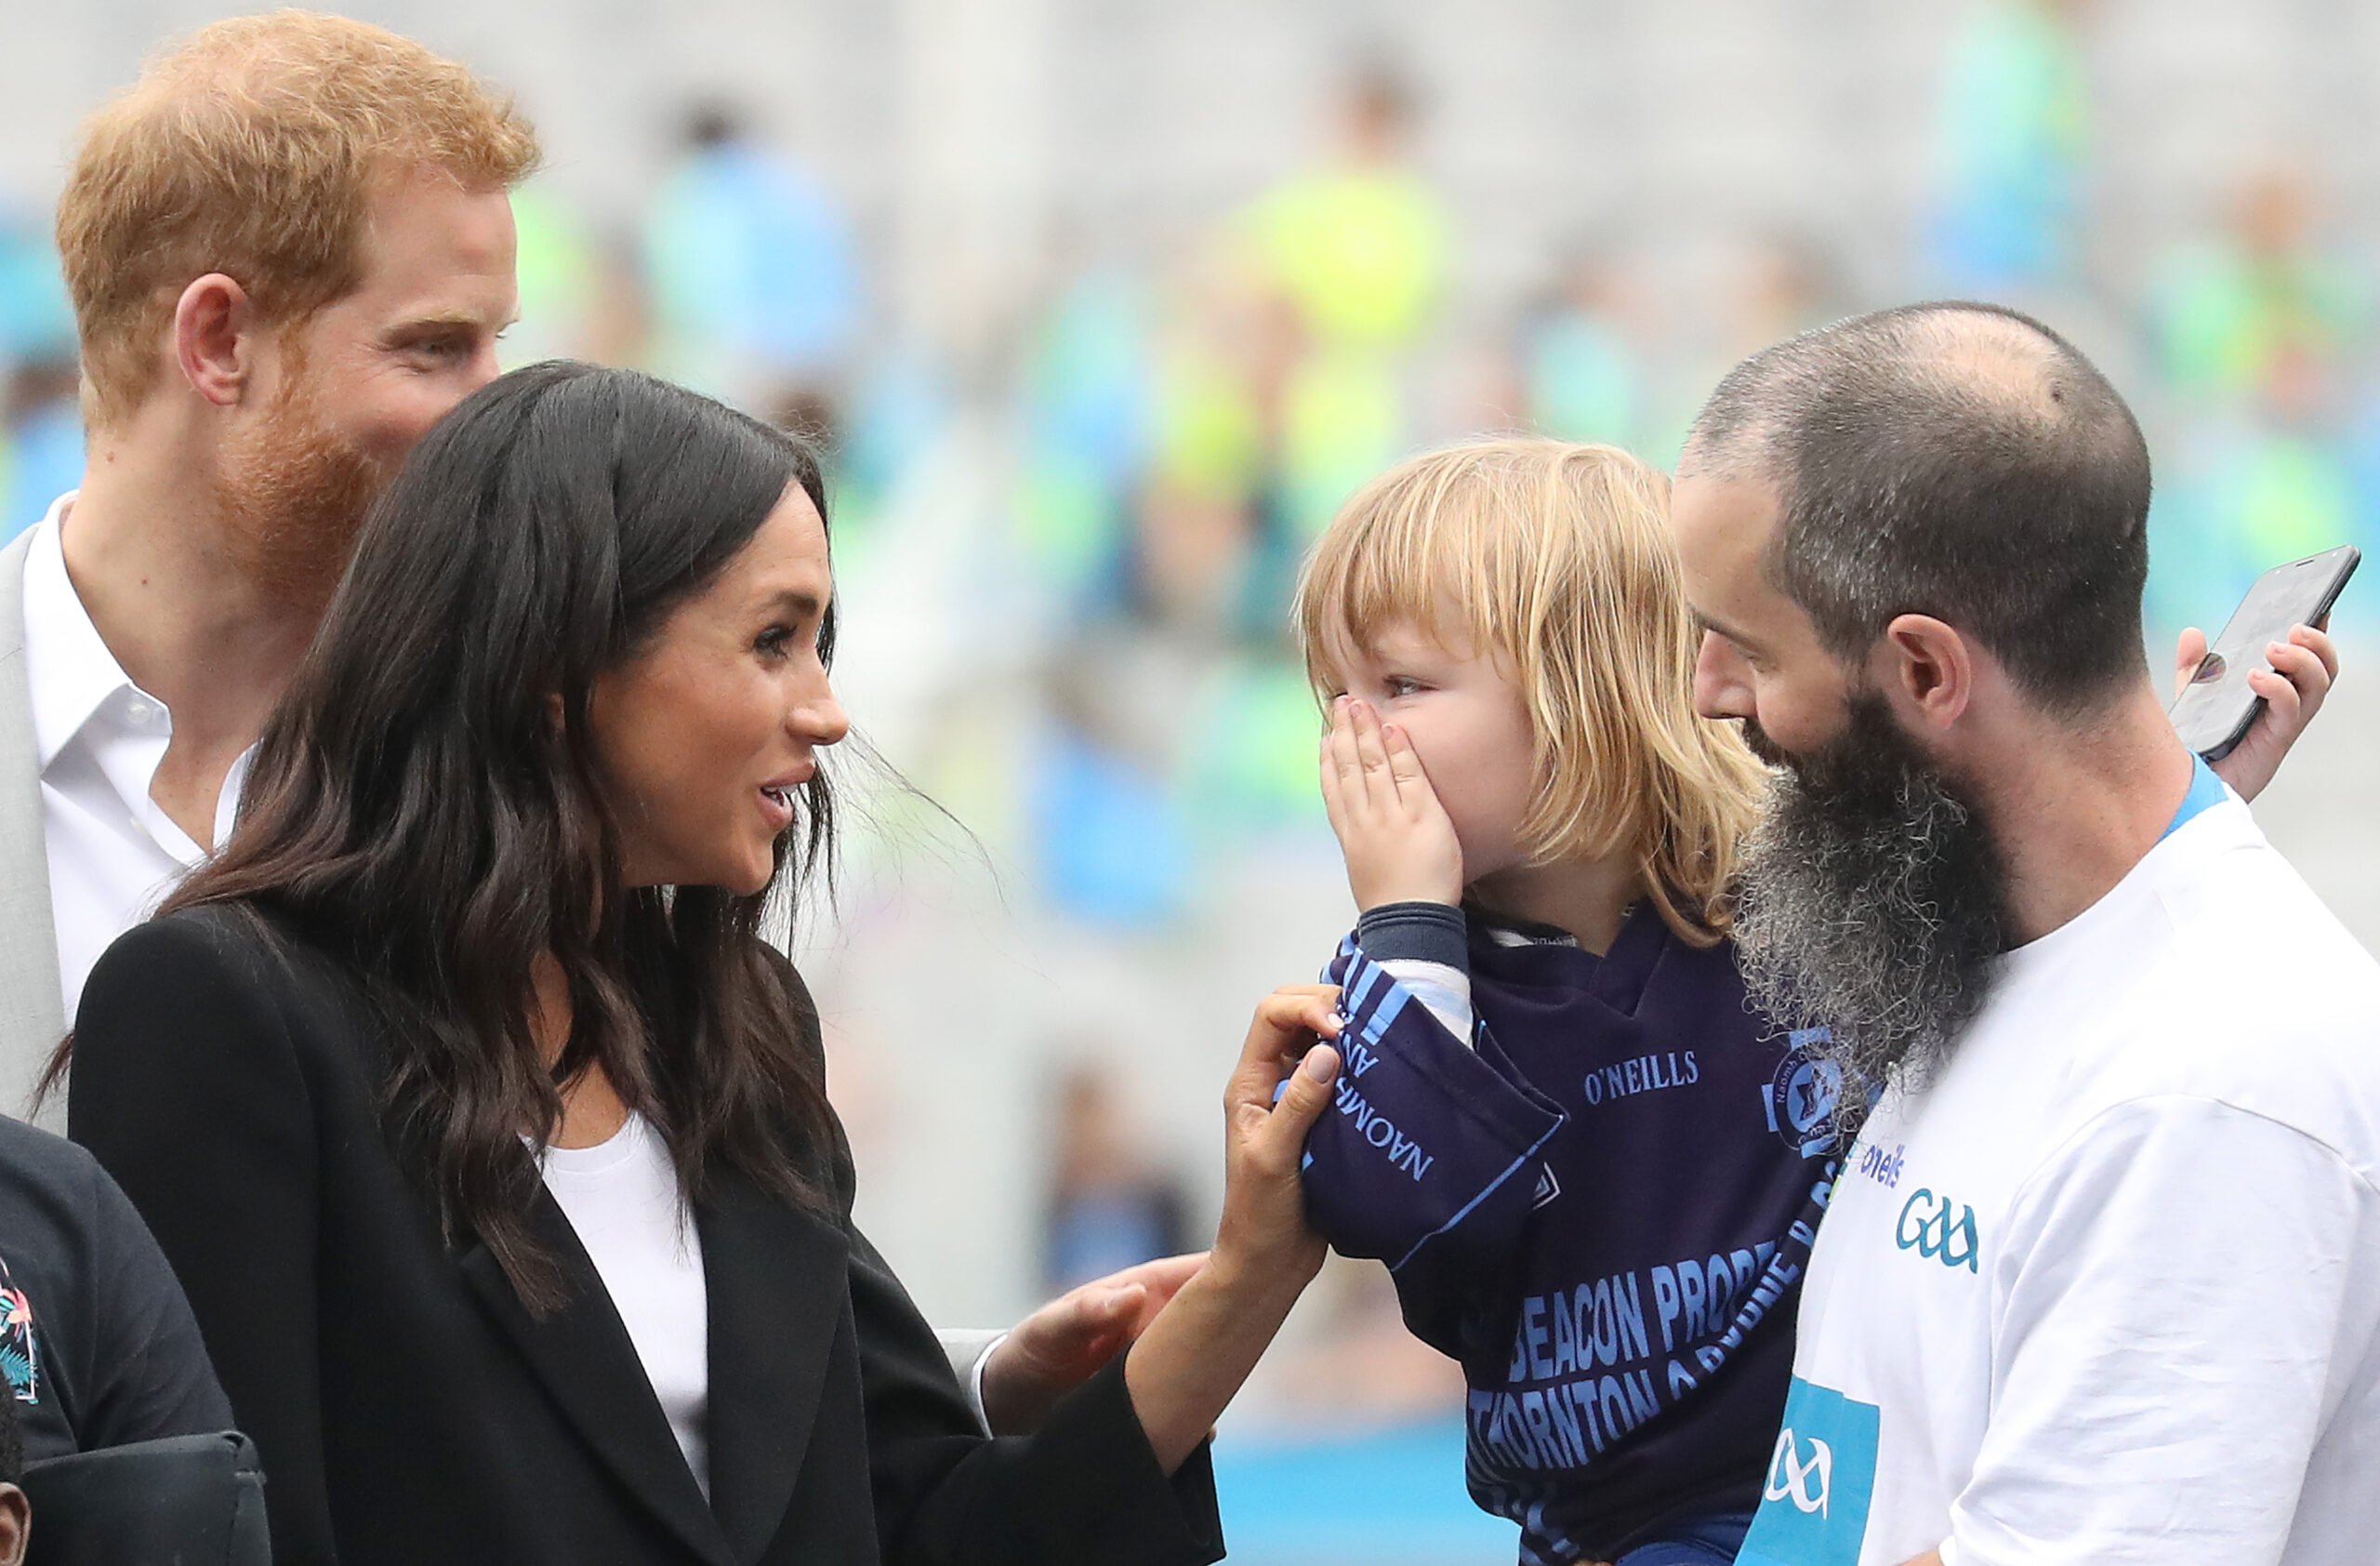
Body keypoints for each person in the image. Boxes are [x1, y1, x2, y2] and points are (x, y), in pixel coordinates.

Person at [11, 7, 1199, 1430]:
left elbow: (599, 1306)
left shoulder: (538, 772)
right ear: (218, 341)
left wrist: (960, 1387)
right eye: (436, 349)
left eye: (497, 346)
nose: (490, 415)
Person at [65, 362, 1345, 1565]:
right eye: (774, 639)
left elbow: (940, 1528)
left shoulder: (745, 1029)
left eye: (823, 642)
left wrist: (1247, 1277)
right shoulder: (220, 1012)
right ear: (558, 667)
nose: (828, 710)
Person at [1286, 434, 2336, 1566]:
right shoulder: (1407, 972)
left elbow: (2032, 944)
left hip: (1835, 1491)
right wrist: (1405, 923)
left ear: (1585, 686)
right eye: (1334, 693)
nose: (1353, 736)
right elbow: (1394, 1212)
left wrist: (2184, 790)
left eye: (1399, 685)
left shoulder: (1810, 896)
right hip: (1611, 1530)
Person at [1670, 301, 2379, 1566]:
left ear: (1930, 673)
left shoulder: (2209, 1090)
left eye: (1745, 645)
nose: (1706, 691)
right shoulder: (1993, 945)